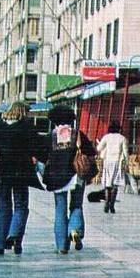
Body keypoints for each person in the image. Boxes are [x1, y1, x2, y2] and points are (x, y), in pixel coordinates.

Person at [0, 102, 43, 255]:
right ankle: (14, 236)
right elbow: (37, 147)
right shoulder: (26, 126)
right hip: (21, 172)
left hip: (3, 172)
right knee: (21, 205)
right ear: (23, 112)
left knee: (2, 206)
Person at [42, 107, 97, 254]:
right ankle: (74, 230)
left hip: (57, 177)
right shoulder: (77, 135)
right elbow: (91, 152)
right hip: (76, 175)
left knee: (60, 210)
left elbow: (42, 156)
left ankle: (61, 246)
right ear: (71, 119)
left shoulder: (51, 136)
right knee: (76, 205)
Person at [97, 121, 128, 213]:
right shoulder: (122, 138)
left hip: (107, 162)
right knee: (115, 184)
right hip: (117, 163)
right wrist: (126, 162)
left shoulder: (106, 137)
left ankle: (106, 202)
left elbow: (99, 148)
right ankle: (112, 205)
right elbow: (126, 153)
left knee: (108, 184)